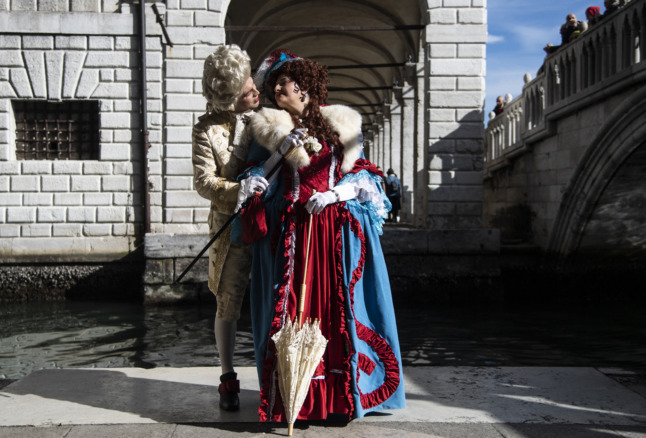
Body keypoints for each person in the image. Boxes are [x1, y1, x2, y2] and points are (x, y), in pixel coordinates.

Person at [239, 49, 405, 423]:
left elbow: (365, 176)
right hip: (289, 230)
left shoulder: (339, 126)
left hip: (332, 229)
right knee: (294, 311)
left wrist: (335, 194)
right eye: (274, 84)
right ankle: (295, 394)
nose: (278, 88)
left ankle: (336, 398)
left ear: (306, 86)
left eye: (286, 81)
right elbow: (252, 176)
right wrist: (279, 152)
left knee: (333, 310)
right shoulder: (266, 128)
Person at [191, 44, 265, 412]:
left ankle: (275, 372)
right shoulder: (206, 130)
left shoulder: (269, 116)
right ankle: (227, 375)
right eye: (247, 90)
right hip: (232, 226)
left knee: (274, 297)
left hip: (272, 223)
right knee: (228, 301)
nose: (256, 91)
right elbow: (204, 182)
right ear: (230, 95)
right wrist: (238, 190)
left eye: (253, 84)